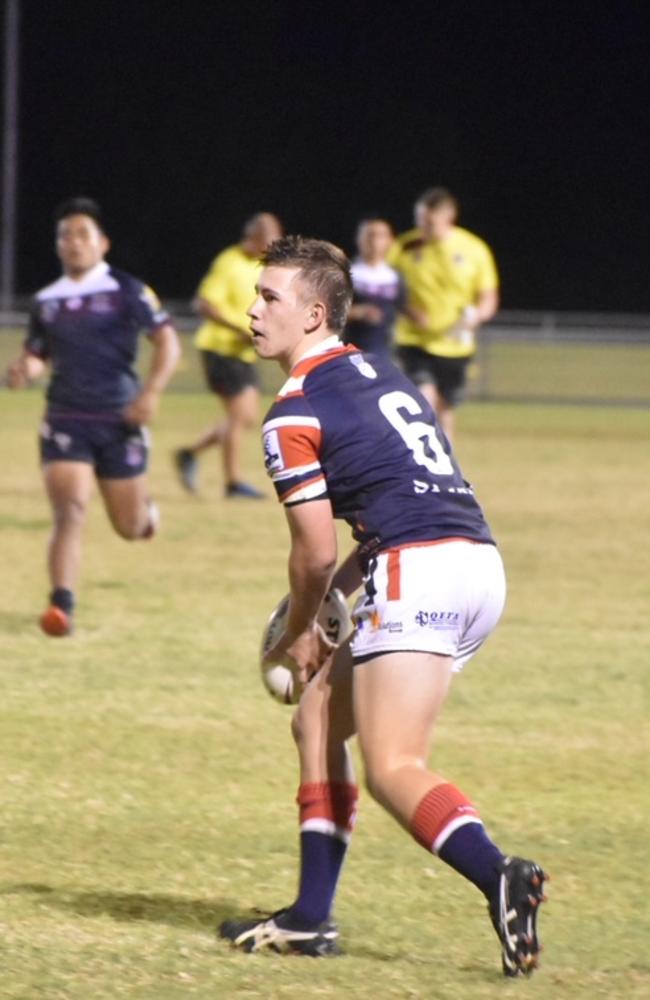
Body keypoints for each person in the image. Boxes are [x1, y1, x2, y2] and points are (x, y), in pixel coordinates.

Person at [218, 236, 547, 976]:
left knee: (394, 765)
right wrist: (332, 606)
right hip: (477, 565)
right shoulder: (380, 371)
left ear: (314, 312)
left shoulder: (291, 412)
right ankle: (308, 919)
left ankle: (501, 876)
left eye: (269, 297)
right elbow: (401, 501)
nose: (252, 309)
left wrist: (301, 633)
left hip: (417, 571)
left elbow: (312, 553)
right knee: (318, 719)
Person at [5, 197, 181, 636]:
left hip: (120, 419)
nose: (73, 242)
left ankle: (146, 515)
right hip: (66, 418)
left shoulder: (127, 290)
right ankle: (61, 604)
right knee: (71, 510)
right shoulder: (46, 301)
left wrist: (150, 394)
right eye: (65, 235)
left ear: (102, 243)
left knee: (129, 527)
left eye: (83, 234)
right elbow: (39, 354)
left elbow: (168, 342)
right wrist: (25, 368)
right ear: (58, 245)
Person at [174, 212, 282, 497]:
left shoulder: (262, 267)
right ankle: (233, 483)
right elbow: (204, 303)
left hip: (241, 353)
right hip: (220, 348)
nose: (275, 242)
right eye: (270, 236)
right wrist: (239, 330)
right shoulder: (229, 261)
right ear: (254, 236)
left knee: (245, 417)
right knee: (239, 416)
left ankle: (190, 453)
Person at [391, 187, 499, 441]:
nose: (422, 227)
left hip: (455, 345)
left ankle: (446, 461)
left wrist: (476, 316)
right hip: (413, 340)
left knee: (445, 408)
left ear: (448, 216)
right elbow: (387, 288)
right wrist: (407, 310)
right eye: (419, 220)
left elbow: (488, 297)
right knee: (423, 399)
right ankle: (419, 456)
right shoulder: (405, 246)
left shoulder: (473, 249)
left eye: (429, 222)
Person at [342, 218, 405, 361]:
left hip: (386, 353)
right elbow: (329, 314)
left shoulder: (395, 277)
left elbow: (402, 310)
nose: (375, 241)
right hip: (351, 352)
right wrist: (358, 312)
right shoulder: (347, 275)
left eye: (381, 236)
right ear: (359, 239)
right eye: (370, 235)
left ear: (390, 241)